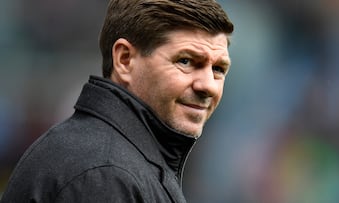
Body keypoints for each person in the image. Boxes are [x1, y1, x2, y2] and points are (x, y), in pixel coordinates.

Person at [0, 0, 233, 202]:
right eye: (185, 61)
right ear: (124, 60)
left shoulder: (115, 163)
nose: (208, 85)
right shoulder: (105, 174)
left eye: (218, 69)